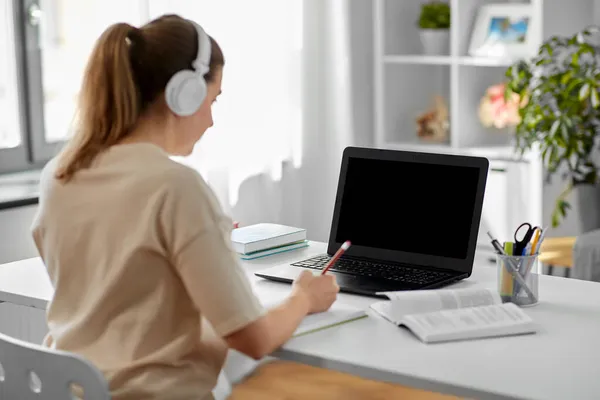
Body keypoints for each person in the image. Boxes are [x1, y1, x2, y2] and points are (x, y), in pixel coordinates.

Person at [31, 14, 339, 400]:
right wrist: (304, 298)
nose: (211, 120)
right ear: (185, 93)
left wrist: (197, 242)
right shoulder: (175, 187)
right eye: (213, 100)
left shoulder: (59, 173)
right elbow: (254, 339)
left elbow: (107, 275)